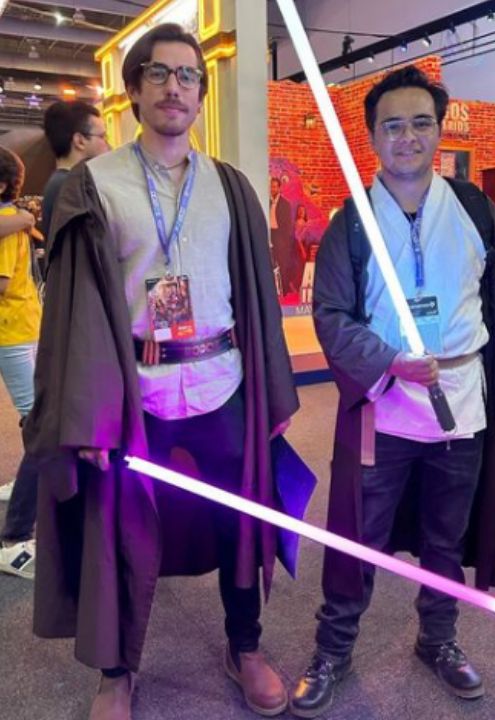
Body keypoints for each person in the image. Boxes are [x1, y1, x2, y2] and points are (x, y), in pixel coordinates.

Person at [24, 23, 298, 720]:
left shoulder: (230, 187)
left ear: (201, 93)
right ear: (134, 89)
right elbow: (75, 311)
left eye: (188, 76)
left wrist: (271, 392)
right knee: (117, 526)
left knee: (240, 519)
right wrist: (88, 414)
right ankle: (117, 671)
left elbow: (257, 299)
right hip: (134, 392)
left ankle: (245, 646)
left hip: (222, 382)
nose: (175, 88)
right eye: (159, 74)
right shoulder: (94, 185)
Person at [289, 65, 495, 717]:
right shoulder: (353, 221)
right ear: (372, 137)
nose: (407, 137)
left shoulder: (473, 210)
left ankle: (438, 638)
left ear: (438, 131)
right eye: (392, 126)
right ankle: (333, 649)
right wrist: (390, 363)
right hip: (383, 406)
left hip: (460, 400)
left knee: (446, 536)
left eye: (420, 123)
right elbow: (332, 315)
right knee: (358, 537)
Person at [0, 147, 42, 579]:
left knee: (36, 420)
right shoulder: (12, 219)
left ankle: (17, 521)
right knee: (37, 422)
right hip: (15, 329)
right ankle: (14, 536)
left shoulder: (9, 220)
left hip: (17, 328)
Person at [41, 100, 110, 240]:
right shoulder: (72, 188)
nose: (108, 144)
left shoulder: (61, 183)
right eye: (102, 136)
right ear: (80, 141)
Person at [270, 176, 294, 296]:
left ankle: (284, 290)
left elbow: (288, 225)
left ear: (279, 188)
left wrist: (285, 241)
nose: (272, 189)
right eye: (271, 187)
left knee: (282, 263)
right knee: (271, 261)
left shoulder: (285, 204)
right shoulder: (267, 202)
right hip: (270, 234)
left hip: (280, 236)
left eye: (275, 187)